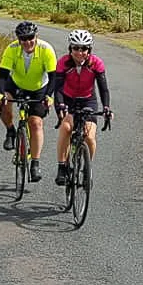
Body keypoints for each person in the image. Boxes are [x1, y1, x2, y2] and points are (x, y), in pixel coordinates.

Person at [0, 21, 56, 183]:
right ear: (18, 39)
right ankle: (10, 131)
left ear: (37, 36)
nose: (28, 42)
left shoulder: (46, 49)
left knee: (35, 123)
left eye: (31, 38)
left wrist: (49, 96)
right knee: (1, 102)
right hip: (16, 84)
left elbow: (53, 77)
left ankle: (35, 163)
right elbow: (2, 75)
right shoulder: (12, 49)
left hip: (39, 88)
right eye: (23, 39)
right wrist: (1, 94)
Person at [53, 29, 112, 186]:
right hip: (67, 99)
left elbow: (103, 88)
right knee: (66, 128)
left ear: (89, 50)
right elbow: (57, 88)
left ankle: (87, 168)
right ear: (70, 48)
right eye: (76, 48)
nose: (80, 52)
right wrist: (60, 105)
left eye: (84, 48)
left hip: (88, 101)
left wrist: (106, 107)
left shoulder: (96, 64)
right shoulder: (63, 63)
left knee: (89, 137)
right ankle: (62, 166)